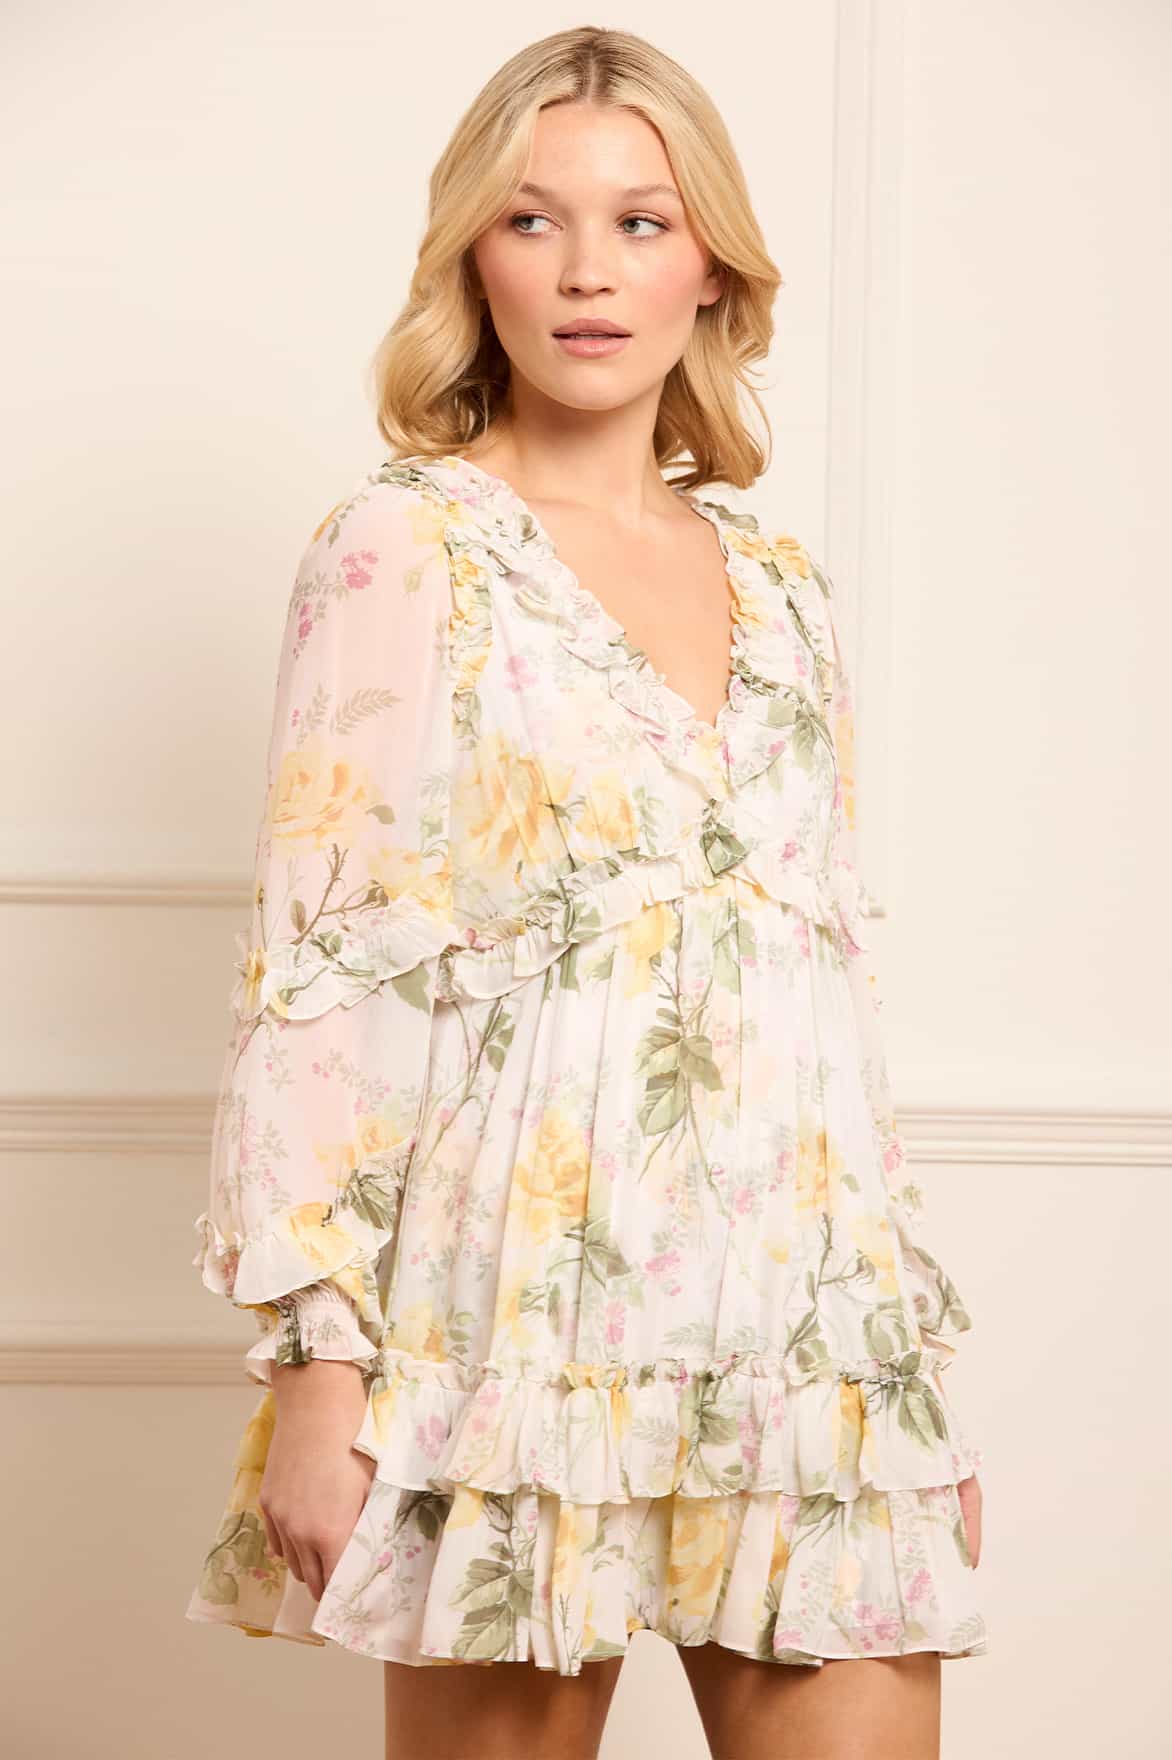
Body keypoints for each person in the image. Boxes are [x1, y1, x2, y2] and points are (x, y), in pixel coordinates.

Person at [185, 24, 986, 1760]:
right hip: (514, 1341)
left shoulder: (784, 588)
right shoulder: (404, 548)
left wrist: (905, 1379)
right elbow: (320, 963)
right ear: (474, 260)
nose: (588, 272)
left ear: (715, 265)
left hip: (802, 1346)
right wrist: (319, 1370)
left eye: (641, 221)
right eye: (533, 220)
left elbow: (823, 994)